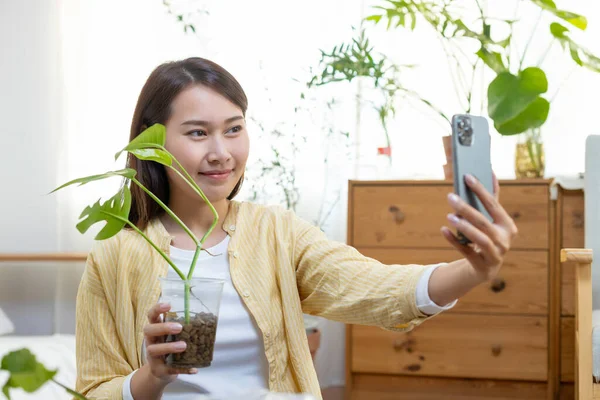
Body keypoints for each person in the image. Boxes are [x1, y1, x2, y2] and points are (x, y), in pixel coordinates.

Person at [74, 57, 518, 400]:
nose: (221, 152)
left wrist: (473, 270)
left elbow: (376, 287)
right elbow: (94, 389)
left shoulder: (277, 233)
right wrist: (151, 377)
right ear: (153, 142)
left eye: (233, 130)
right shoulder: (112, 258)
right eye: (197, 133)